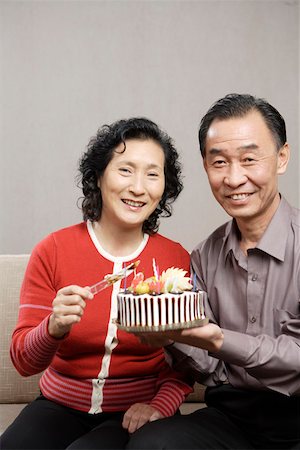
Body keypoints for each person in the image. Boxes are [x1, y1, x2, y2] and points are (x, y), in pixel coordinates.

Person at [0, 117, 194, 450]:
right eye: (125, 170)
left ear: (165, 185)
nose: (138, 187)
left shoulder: (174, 259)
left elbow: (189, 360)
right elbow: (23, 361)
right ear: (99, 176)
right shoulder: (54, 249)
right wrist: (53, 327)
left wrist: (160, 405)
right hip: (57, 405)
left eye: (152, 174)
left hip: (130, 414)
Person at [126, 94, 300, 450]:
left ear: (281, 158)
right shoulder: (205, 256)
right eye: (219, 162)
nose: (234, 178)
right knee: (151, 445)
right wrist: (170, 334)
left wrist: (221, 339)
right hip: (232, 418)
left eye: (249, 159)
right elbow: (212, 369)